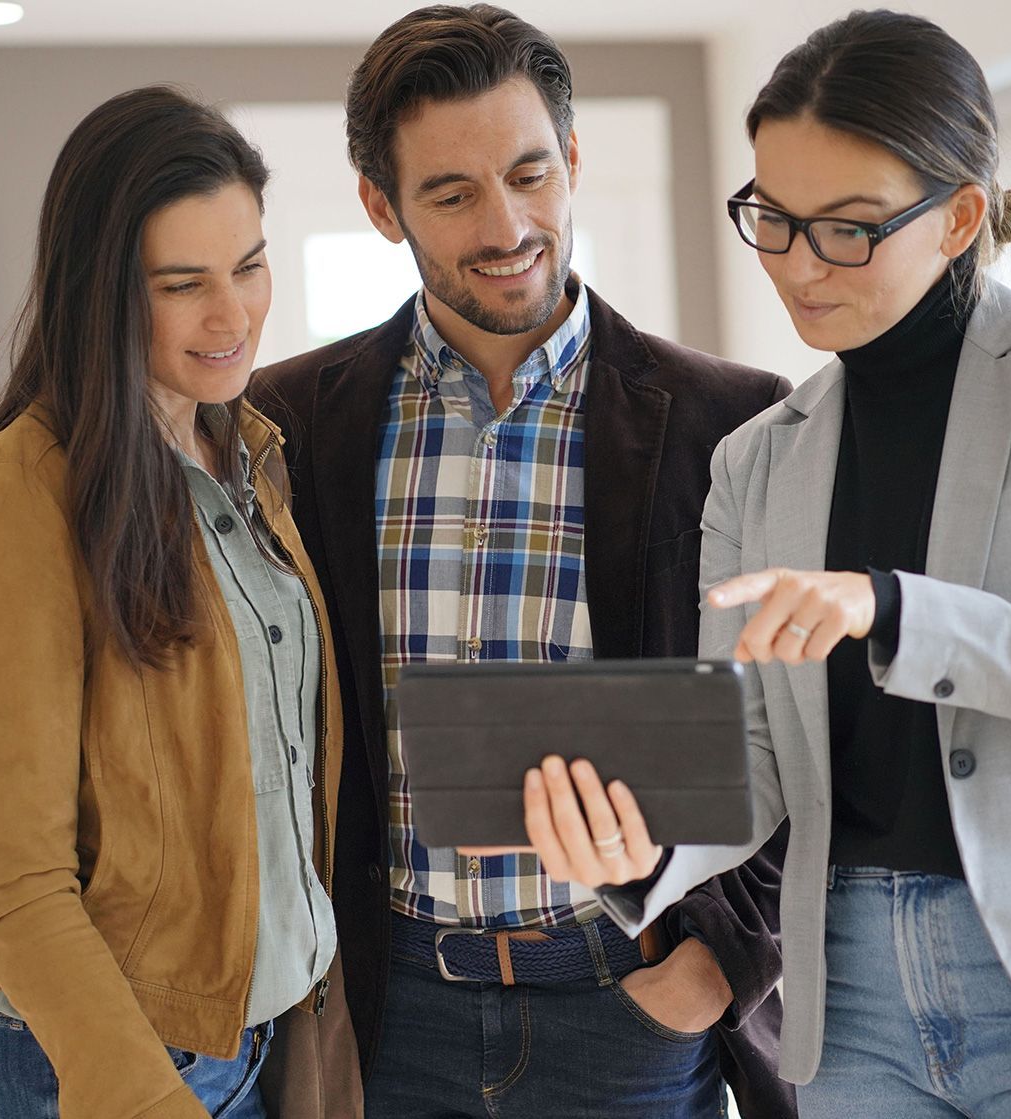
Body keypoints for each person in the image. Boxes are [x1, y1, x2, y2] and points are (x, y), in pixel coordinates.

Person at [518, 9, 1011, 1117]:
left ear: (959, 218)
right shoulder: (757, 460)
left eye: (847, 229)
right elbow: (750, 759)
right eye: (772, 216)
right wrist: (639, 850)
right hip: (847, 1000)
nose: (797, 266)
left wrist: (893, 610)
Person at [250, 6, 796, 1117]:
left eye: (531, 173)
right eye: (452, 195)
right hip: (386, 1013)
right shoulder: (287, 424)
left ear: (574, 161)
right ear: (379, 204)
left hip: (630, 1006)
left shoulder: (732, 422)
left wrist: (723, 965)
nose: (507, 225)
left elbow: (817, 726)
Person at [0, 86, 347, 1119]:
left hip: (253, 1047)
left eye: (250, 266)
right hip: (97, 1068)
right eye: (183, 285)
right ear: (105, 293)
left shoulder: (248, 451)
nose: (234, 315)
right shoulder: (25, 490)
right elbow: (14, 879)